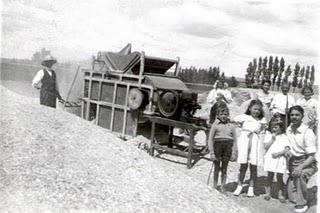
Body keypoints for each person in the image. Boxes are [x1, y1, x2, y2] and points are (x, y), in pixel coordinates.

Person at [232, 99, 267, 197]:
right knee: (243, 166)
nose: (256, 111)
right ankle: (239, 186)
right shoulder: (244, 117)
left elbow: (264, 129)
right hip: (244, 142)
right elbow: (234, 120)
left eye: (259, 110)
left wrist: (262, 130)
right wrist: (239, 126)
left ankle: (251, 188)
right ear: (250, 108)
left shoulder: (261, 120)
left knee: (253, 167)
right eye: (255, 109)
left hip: (255, 143)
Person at [286, 105, 317, 213]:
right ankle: (306, 191)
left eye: (297, 115)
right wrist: (286, 150)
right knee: (291, 197)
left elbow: (312, 156)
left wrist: (300, 167)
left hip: (308, 163)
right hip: (293, 162)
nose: (294, 117)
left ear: (302, 116)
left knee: (300, 175)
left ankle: (302, 204)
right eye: (292, 115)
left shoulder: (308, 132)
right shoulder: (289, 129)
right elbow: (287, 144)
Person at [208, 105, 237, 192]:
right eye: (221, 114)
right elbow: (210, 139)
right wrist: (212, 152)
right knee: (216, 167)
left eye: (225, 114)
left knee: (224, 168)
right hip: (218, 146)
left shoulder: (231, 126)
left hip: (228, 146)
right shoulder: (215, 125)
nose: (223, 116)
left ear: (228, 115)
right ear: (218, 115)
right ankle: (215, 185)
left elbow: (235, 140)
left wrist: (234, 153)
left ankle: (223, 186)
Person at [263, 120, 290, 202]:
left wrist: (278, 153)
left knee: (279, 177)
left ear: (281, 128)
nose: (273, 129)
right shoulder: (269, 136)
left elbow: (287, 149)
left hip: (280, 158)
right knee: (269, 176)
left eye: (276, 127)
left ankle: (280, 194)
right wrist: (272, 139)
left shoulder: (284, 137)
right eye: (272, 127)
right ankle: (268, 193)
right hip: (270, 158)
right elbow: (266, 147)